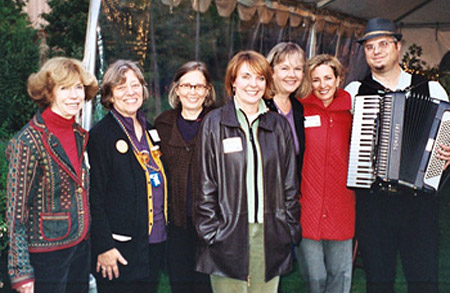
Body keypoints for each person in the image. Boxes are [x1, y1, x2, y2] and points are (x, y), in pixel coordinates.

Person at [345, 17, 450, 292]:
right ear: (364, 53)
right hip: (374, 206)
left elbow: (446, 135)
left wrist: (446, 155)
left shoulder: (431, 89)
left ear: (397, 47)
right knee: (378, 281)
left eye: (383, 44)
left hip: (419, 207)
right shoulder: (355, 93)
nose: (376, 51)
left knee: (424, 279)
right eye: (370, 46)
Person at [195, 50, 302, 293]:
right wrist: (211, 233)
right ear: (233, 81)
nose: (253, 84)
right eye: (245, 77)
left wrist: (290, 227)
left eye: (260, 78)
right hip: (227, 234)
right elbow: (204, 184)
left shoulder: (277, 125)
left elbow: (289, 184)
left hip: (270, 234)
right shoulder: (214, 123)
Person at [5, 57, 98, 293]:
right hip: (46, 257)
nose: (74, 95)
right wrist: (21, 271)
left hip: (79, 248)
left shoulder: (79, 134)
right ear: (48, 93)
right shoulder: (27, 141)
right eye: (64, 88)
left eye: (78, 87)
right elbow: (16, 212)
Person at [88, 60, 167, 293]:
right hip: (119, 250)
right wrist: (103, 247)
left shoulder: (151, 130)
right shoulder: (101, 136)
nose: (130, 92)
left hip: (154, 243)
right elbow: (94, 197)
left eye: (135, 85)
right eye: (121, 87)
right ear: (110, 95)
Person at [154, 61, 216, 292]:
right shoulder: (162, 124)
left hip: (211, 223)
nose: (193, 92)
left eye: (199, 86)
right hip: (176, 223)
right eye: (187, 85)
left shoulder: (219, 121)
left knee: (208, 286)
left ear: (207, 90)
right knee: (181, 285)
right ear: (177, 89)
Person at [295, 54, 355, 293]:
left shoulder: (353, 113)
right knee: (315, 276)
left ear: (338, 79)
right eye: (316, 79)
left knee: (340, 275)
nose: (323, 85)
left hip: (341, 204)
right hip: (307, 205)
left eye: (328, 78)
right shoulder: (300, 110)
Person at [265, 42, 306, 188]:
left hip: (290, 196)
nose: (292, 75)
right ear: (271, 72)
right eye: (285, 68)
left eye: (297, 69)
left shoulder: (299, 108)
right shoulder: (261, 107)